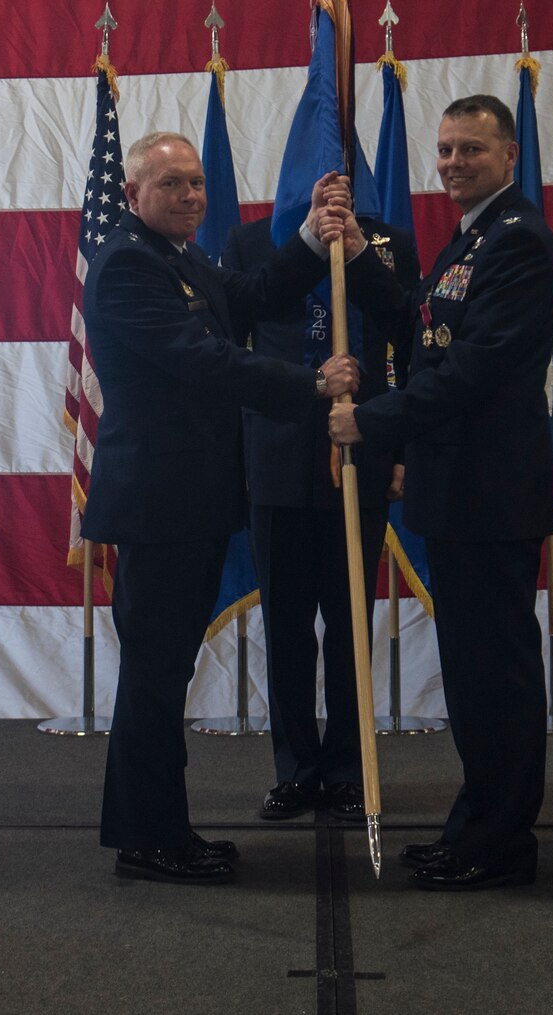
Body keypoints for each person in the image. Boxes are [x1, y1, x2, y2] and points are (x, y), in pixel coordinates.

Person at [82, 131, 360, 885]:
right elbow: (201, 359)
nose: (193, 197)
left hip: (188, 500)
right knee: (154, 675)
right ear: (134, 193)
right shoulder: (127, 264)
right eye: (172, 184)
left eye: (198, 183)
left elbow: (246, 301)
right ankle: (150, 840)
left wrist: (308, 238)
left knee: (164, 671)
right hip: (157, 506)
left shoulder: (180, 256)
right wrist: (307, 385)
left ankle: (160, 827)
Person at [326, 94, 553, 891]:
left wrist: (375, 421)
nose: (454, 163)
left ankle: (501, 840)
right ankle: (477, 820)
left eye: (471, 149)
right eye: (445, 149)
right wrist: (360, 254)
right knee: (469, 672)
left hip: (492, 493)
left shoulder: (520, 242)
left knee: (495, 670)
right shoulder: (469, 239)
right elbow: (419, 330)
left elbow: (475, 367)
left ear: (509, 155)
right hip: (457, 489)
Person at [222, 211, 419, 823]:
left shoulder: (386, 243)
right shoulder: (252, 240)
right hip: (277, 457)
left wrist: (403, 449)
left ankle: (346, 769)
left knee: (349, 623)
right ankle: (296, 771)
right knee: (285, 626)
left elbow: (407, 342)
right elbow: (233, 340)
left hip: (362, 450)